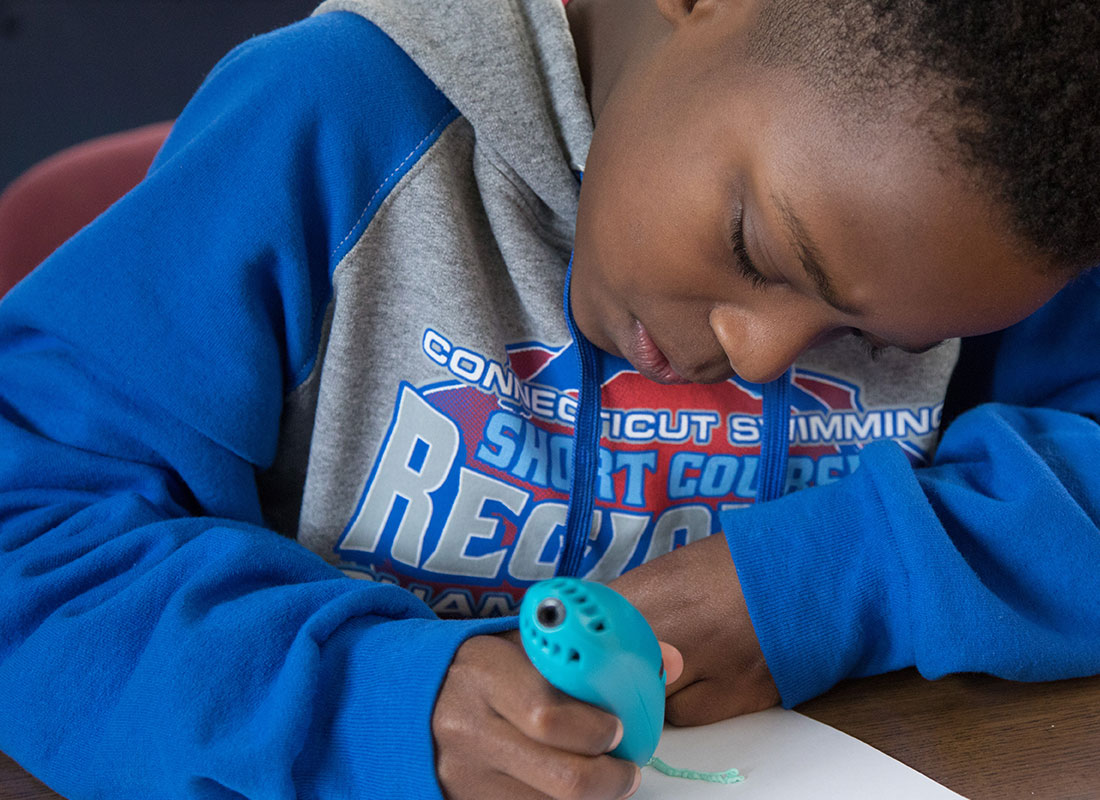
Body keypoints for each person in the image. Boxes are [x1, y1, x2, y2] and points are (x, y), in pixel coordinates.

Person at [0, 0, 1097, 797]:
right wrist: (380, 701)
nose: (761, 359)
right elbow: (27, 532)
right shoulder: (328, 127)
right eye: (755, 249)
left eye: (863, 337)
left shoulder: (992, 236)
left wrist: (841, 574)